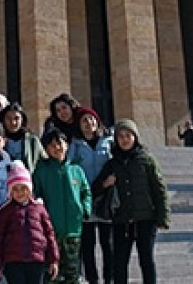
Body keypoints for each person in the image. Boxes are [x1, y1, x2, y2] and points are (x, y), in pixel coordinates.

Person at [94, 119, 168, 284]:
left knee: (146, 260)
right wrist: (106, 184)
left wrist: (163, 217)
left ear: (135, 137)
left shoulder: (146, 160)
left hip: (145, 218)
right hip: (122, 219)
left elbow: (159, 189)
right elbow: (95, 189)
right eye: (120, 136)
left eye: (128, 135)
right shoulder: (112, 163)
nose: (124, 139)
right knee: (120, 262)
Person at [34, 129, 91, 284]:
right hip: (52, 231)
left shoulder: (76, 170)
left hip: (73, 229)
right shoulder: (42, 171)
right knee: (53, 272)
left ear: (67, 145)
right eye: (52, 145)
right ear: (46, 149)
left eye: (60, 143)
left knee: (72, 272)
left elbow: (86, 192)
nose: (57, 147)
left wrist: (85, 209)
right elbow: (36, 195)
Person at [0, 161, 60, 284]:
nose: (20, 193)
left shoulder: (39, 208)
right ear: (10, 192)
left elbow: (49, 234)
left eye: (23, 188)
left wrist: (53, 260)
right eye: (15, 189)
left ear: (29, 189)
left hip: (36, 260)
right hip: (13, 261)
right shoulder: (5, 211)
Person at [67, 108, 113, 284]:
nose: (88, 124)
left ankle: (109, 280)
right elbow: (70, 167)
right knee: (87, 246)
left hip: (104, 198)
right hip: (85, 199)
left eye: (91, 120)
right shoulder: (76, 145)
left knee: (107, 245)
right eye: (84, 121)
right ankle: (92, 280)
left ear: (97, 122)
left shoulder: (108, 142)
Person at [0, 102, 47, 174]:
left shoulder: (32, 140)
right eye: (8, 118)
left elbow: (44, 162)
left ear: (22, 120)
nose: (13, 122)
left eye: (16, 118)